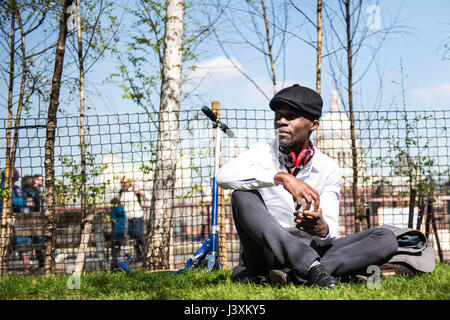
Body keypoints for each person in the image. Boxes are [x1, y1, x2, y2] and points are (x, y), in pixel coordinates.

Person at [216, 84, 398, 288]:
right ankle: (311, 268)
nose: (281, 122)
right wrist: (281, 177)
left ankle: (295, 275)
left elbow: (330, 228)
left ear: (314, 125)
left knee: (386, 238)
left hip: (312, 247)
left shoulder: (328, 168)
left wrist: (321, 227)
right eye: (278, 115)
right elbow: (223, 176)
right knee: (241, 195)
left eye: (291, 116)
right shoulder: (261, 152)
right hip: (268, 253)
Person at [1, 169, 35, 272]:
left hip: (15, 218)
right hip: (6, 218)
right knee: (17, 240)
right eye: (16, 173)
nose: (18, 175)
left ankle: (27, 265)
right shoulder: (4, 187)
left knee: (21, 240)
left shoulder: (15, 187)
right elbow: (9, 200)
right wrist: (25, 202)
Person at [117, 177, 148, 262]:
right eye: (122, 183)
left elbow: (149, 197)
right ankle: (139, 256)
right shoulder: (121, 193)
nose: (123, 184)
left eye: (125, 182)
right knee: (133, 237)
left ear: (129, 183)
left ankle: (147, 253)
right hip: (128, 219)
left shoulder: (134, 190)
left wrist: (140, 192)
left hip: (138, 217)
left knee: (139, 235)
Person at [109, 197, 132, 270]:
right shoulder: (122, 209)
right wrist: (125, 231)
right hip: (122, 231)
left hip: (115, 231)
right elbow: (125, 221)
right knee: (119, 244)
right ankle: (127, 255)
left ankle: (114, 262)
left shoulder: (112, 211)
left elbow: (112, 220)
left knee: (116, 247)